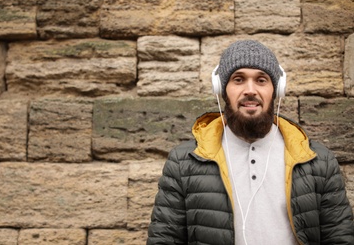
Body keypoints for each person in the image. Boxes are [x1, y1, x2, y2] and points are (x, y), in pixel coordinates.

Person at [147, 40, 354, 244]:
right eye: (238, 79)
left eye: (261, 80)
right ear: (221, 89)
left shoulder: (318, 162)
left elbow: (340, 238)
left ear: (277, 90)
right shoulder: (183, 163)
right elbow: (164, 239)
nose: (250, 90)